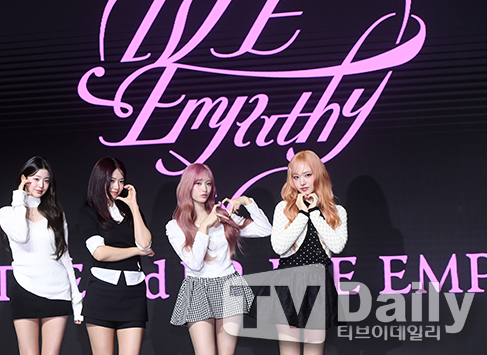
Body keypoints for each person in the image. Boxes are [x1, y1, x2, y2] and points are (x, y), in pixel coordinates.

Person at [166, 163, 272, 355]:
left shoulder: (224, 217)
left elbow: (265, 230)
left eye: (208, 183)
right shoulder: (175, 226)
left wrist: (248, 202)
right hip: (198, 287)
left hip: (229, 285)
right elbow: (194, 263)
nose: (204, 189)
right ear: (187, 186)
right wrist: (204, 226)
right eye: (198, 183)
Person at [0, 156, 83, 355]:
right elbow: (21, 236)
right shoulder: (7, 212)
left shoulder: (56, 213)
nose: (41, 185)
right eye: (36, 179)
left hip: (58, 290)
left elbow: (65, 256)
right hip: (25, 287)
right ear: (24, 179)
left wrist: (76, 299)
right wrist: (19, 199)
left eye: (46, 180)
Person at [270, 150, 348, 355]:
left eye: (307, 175)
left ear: (318, 174)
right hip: (288, 283)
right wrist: (303, 214)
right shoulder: (283, 208)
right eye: (296, 177)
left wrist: (314, 212)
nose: (302, 182)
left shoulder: (336, 211)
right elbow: (279, 247)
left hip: (317, 284)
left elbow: (337, 246)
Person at [78, 157, 153, 355]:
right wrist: (136, 251)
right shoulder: (88, 212)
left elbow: (145, 243)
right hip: (102, 292)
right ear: (99, 179)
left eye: (121, 181)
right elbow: (100, 253)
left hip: (134, 293)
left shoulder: (130, 210)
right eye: (111, 180)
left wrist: (134, 206)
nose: (116, 186)